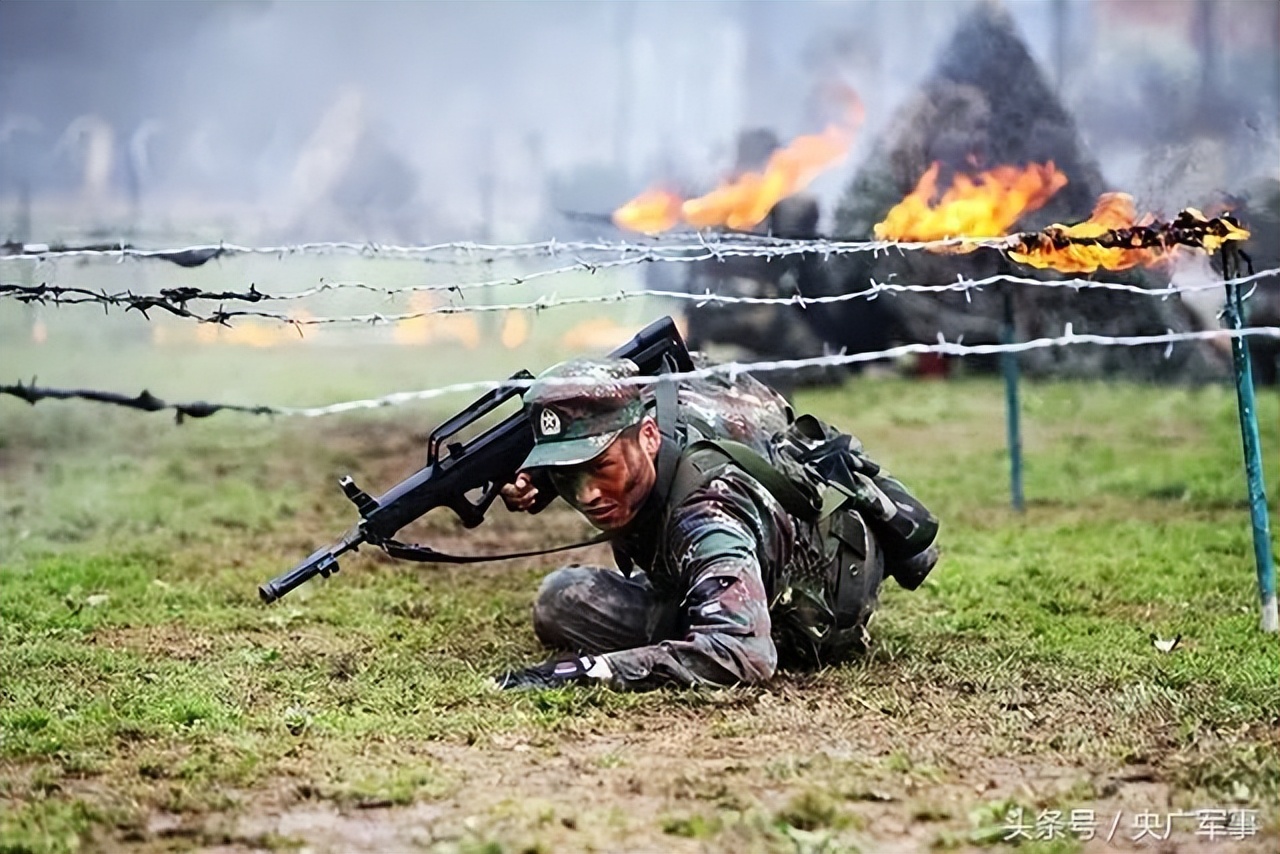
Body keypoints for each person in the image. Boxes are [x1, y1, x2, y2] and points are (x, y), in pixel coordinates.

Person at [494, 357, 938, 691]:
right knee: (562, 599)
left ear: (649, 437)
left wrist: (594, 670)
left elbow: (743, 655)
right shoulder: (668, 405)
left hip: (812, 614)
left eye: (601, 466)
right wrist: (547, 475)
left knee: (563, 601)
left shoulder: (708, 514)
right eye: (568, 475)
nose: (587, 493)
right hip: (797, 546)